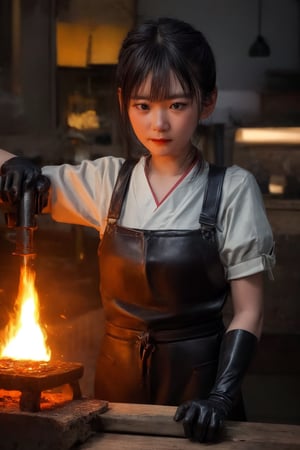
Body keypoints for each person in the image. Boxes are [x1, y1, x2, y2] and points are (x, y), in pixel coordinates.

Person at [0, 17, 275, 443]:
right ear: (124, 102)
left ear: (207, 102)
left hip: (198, 397)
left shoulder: (232, 189)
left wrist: (220, 397)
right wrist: (11, 165)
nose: (158, 124)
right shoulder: (107, 182)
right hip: (113, 393)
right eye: (142, 106)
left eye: (176, 105)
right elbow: (25, 182)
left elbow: (249, 310)